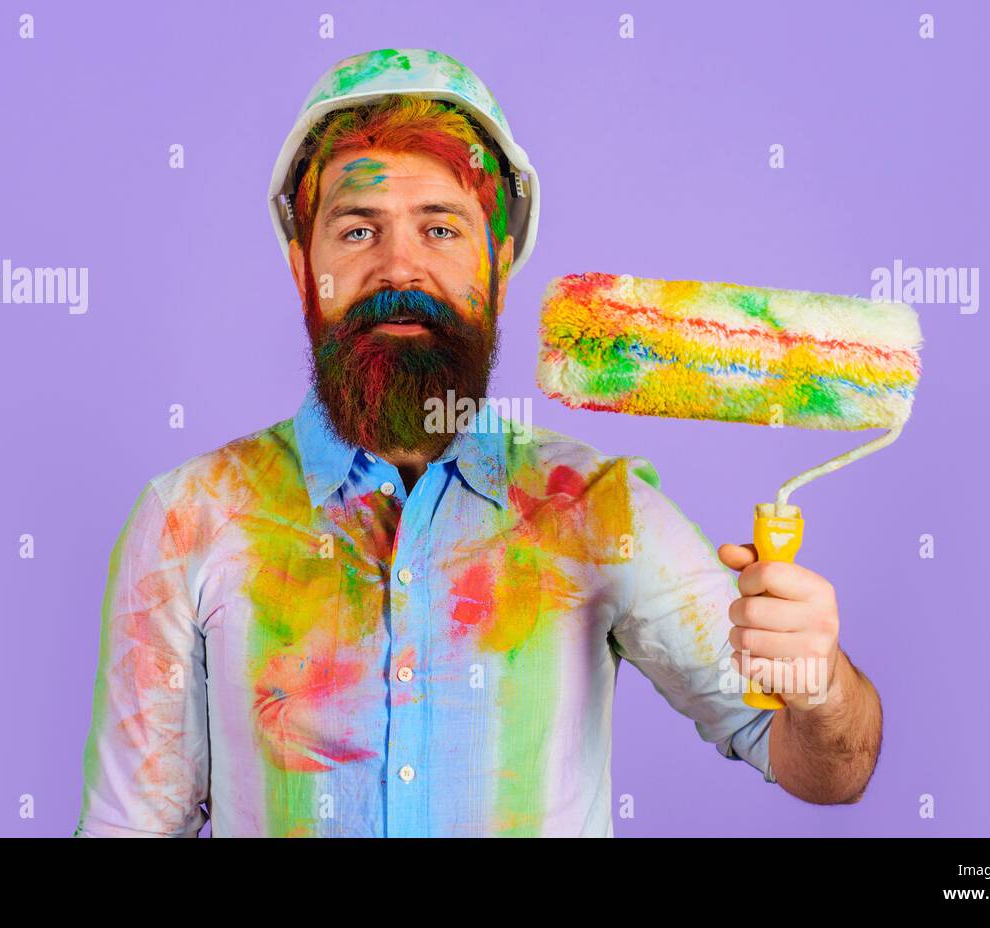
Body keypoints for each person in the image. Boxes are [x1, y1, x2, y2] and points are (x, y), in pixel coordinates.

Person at [73, 47, 881, 838]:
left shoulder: (598, 510)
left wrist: (817, 686)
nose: (400, 267)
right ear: (300, 265)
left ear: (498, 265)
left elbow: (829, 770)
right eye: (357, 231)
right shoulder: (190, 520)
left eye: (441, 228)